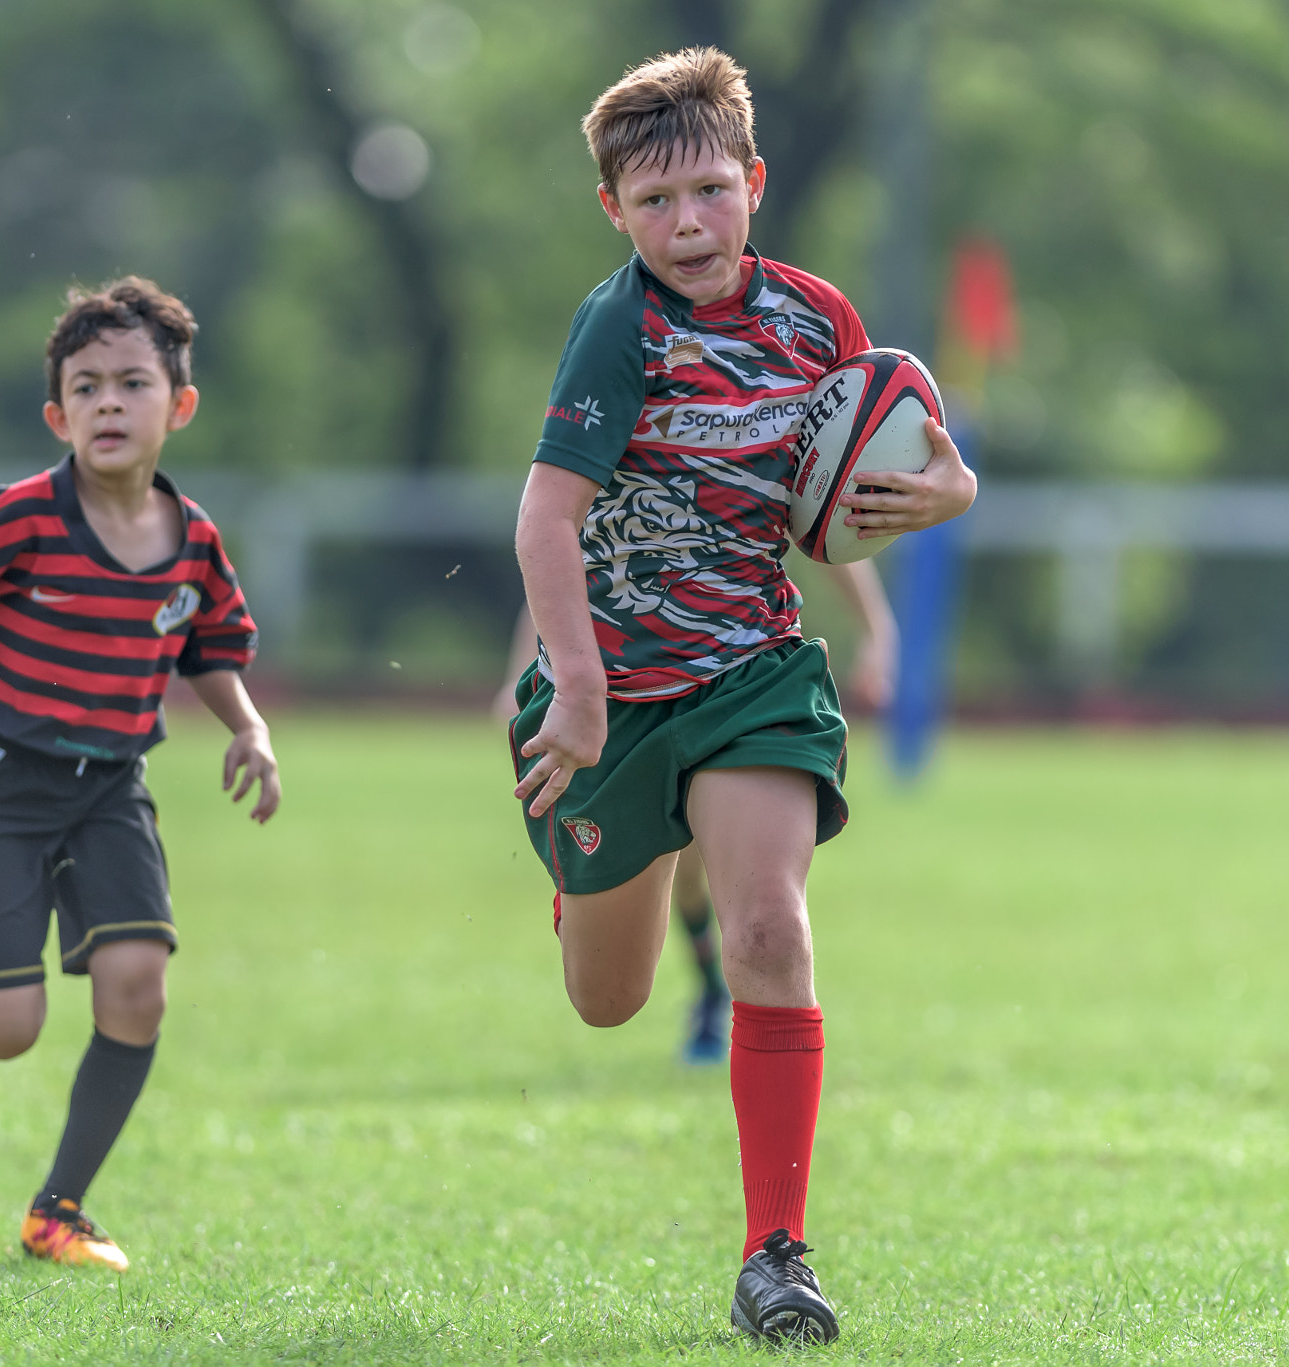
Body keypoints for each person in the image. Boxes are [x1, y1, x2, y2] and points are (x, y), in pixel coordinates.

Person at [506, 52, 975, 1342]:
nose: (688, 225)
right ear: (613, 210)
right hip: (612, 696)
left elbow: (918, 472)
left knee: (768, 930)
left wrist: (947, 495)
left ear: (753, 183)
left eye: (710, 191)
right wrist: (581, 694)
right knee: (606, 999)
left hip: (752, 675)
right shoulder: (623, 326)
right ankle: (594, 865)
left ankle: (776, 1251)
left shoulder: (818, 318)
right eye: (654, 203)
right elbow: (543, 525)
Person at [0, 278, 280, 1274]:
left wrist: (248, 728)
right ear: (58, 414)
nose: (110, 404)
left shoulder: (194, 540)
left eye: (133, 383)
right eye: (87, 388)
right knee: (4, 1032)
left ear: (180, 403)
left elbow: (211, 647)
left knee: (138, 984)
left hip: (112, 785)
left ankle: (59, 1209)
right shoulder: (19, 519)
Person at [496, 556, 896, 1065]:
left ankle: (718, 1001)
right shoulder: (603, 483)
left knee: (756, 910)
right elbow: (555, 548)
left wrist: (878, 629)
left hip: (739, 679)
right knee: (655, 917)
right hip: (631, 695)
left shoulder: (744, 484)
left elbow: (818, 512)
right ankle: (678, 961)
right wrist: (521, 675)